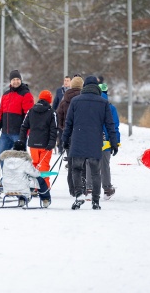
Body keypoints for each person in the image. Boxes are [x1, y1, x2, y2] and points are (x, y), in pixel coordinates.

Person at [62, 76, 117, 210]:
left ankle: (79, 194)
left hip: (78, 139)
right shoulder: (103, 103)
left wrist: (65, 140)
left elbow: (68, 123)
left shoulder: (75, 101)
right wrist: (114, 142)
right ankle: (95, 201)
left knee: (76, 169)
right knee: (95, 172)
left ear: (84, 87)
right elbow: (110, 124)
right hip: (95, 141)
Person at [0, 70, 34, 167]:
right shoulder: (6, 95)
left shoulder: (26, 94)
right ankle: (5, 180)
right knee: (2, 156)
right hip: (5, 134)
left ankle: (20, 181)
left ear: (21, 80)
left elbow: (29, 116)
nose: (16, 81)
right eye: (13, 79)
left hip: (18, 134)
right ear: (10, 81)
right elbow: (1, 115)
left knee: (20, 160)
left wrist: (27, 133)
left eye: (18, 79)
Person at [85, 83, 120, 199]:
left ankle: (89, 188)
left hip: (93, 140)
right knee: (105, 166)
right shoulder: (111, 107)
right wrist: (116, 142)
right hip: (107, 142)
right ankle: (107, 189)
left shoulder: (91, 105)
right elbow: (115, 126)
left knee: (90, 164)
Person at [19, 90, 57, 187]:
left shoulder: (31, 111)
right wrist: (52, 142)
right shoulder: (51, 112)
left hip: (33, 144)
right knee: (44, 166)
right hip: (46, 145)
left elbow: (24, 126)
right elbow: (54, 129)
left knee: (34, 166)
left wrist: (22, 141)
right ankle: (44, 187)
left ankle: (34, 186)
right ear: (49, 100)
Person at [1, 140, 52, 208]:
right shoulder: (24, 160)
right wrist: (38, 172)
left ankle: (22, 199)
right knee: (40, 180)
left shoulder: (6, 160)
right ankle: (46, 199)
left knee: (18, 180)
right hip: (22, 187)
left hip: (7, 186)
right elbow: (35, 174)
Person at [56, 75, 83, 155]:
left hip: (67, 129)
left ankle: (70, 165)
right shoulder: (85, 99)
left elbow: (59, 114)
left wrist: (62, 126)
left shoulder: (65, 99)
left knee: (70, 154)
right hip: (81, 131)